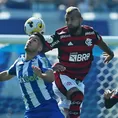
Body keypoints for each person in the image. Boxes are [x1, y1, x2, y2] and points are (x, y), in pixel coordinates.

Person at [39, 6, 114, 118]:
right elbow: (41, 50)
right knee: (77, 96)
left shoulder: (90, 33)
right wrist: (49, 67)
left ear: (80, 19)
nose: (69, 22)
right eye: (67, 19)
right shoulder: (61, 35)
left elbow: (100, 42)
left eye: (72, 19)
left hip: (78, 82)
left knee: (69, 113)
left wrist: (110, 53)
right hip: (62, 77)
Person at [0, 32, 65, 118]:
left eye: (34, 40)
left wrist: (41, 75)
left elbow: (51, 77)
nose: (30, 41)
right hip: (31, 112)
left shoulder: (41, 59)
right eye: (29, 39)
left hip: (48, 109)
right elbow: (7, 74)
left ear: (40, 48)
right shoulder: (19, 62)